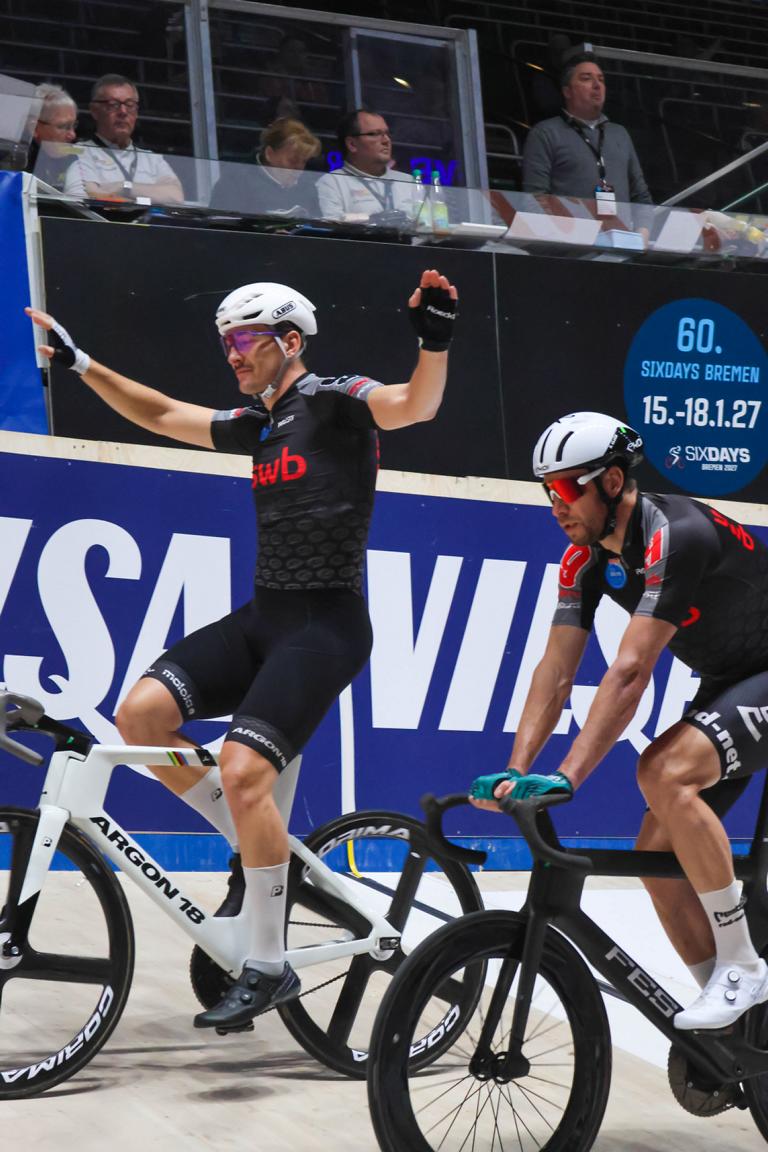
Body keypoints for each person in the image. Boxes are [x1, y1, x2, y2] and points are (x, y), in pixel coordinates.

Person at [24, 268, 458, 1031]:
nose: (234, 354)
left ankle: (265, 962)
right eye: (227, 342)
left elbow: (414, 405)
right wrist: (81, 362)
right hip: (266, 618)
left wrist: (435, 340)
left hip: (327, 627)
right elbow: (158, 412)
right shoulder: (259, 425)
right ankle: (257, 842)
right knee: (141, 715)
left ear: (290, 341)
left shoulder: (335, 401)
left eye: (247, 340)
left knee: (242, 767)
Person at [470, 411, 768, 1031]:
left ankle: (743, 964)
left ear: (610, 481)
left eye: (567, 488)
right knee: (653, 857)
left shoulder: (674, 533)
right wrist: (516, 770)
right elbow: (554, 672)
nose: (555, 504)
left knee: (663, 772)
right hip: (732, 680)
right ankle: (735, 1024)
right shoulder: (582, 562)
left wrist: (570, 777)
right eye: (546, 490)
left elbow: (630, 673)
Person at [522, 51, 653, 231]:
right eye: (586, 78)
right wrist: (565, 237)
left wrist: (642, 234)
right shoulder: (545, 133)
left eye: (601, 79)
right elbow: (535, 199)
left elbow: (641, 197)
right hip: (572, 249)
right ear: (567, 91)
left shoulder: (619, 134)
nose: (597, 85)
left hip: (622, 248)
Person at [63, 73, 183, 204]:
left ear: (136, 112)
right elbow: (78, 202)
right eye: (114, 104)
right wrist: (150, 196)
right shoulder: (79, 153)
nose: (123, 112)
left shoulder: (151, 159)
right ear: (95, 111)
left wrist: (124, 188)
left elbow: (176, 197)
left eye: (129, 104)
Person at [209, 117, 321, 216]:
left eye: (304, 161)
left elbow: (319, 231)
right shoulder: (235, 181)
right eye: (293, 160)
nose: (299, 168)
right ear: (270, 154)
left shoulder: (308, 187)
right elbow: (221, 227)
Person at [316, 108, 413, 222]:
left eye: (387, 133)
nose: (386, 140)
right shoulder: (331, 182)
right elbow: (331, 227)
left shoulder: (408, 181)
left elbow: (429, 225)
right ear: (352, 144)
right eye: (374, 134)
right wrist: (371, 220)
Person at [26, 83, 79, 192]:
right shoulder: (14, 162)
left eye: (74, 125)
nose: (73, 135)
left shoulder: (76, 155)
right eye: (63, 126)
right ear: (34, 128)